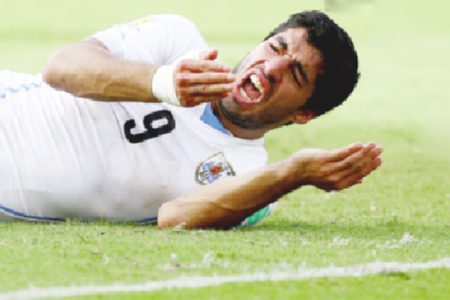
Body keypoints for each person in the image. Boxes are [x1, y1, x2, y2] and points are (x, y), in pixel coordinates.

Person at [0, 11, 382, 229]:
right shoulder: (178, 42)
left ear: (303, 113)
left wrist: (292, 173)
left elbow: (175, 217)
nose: (272, 67)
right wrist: (161, 82)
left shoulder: (254, 179)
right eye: (275, 47)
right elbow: (61, 68)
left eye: (296, 74)